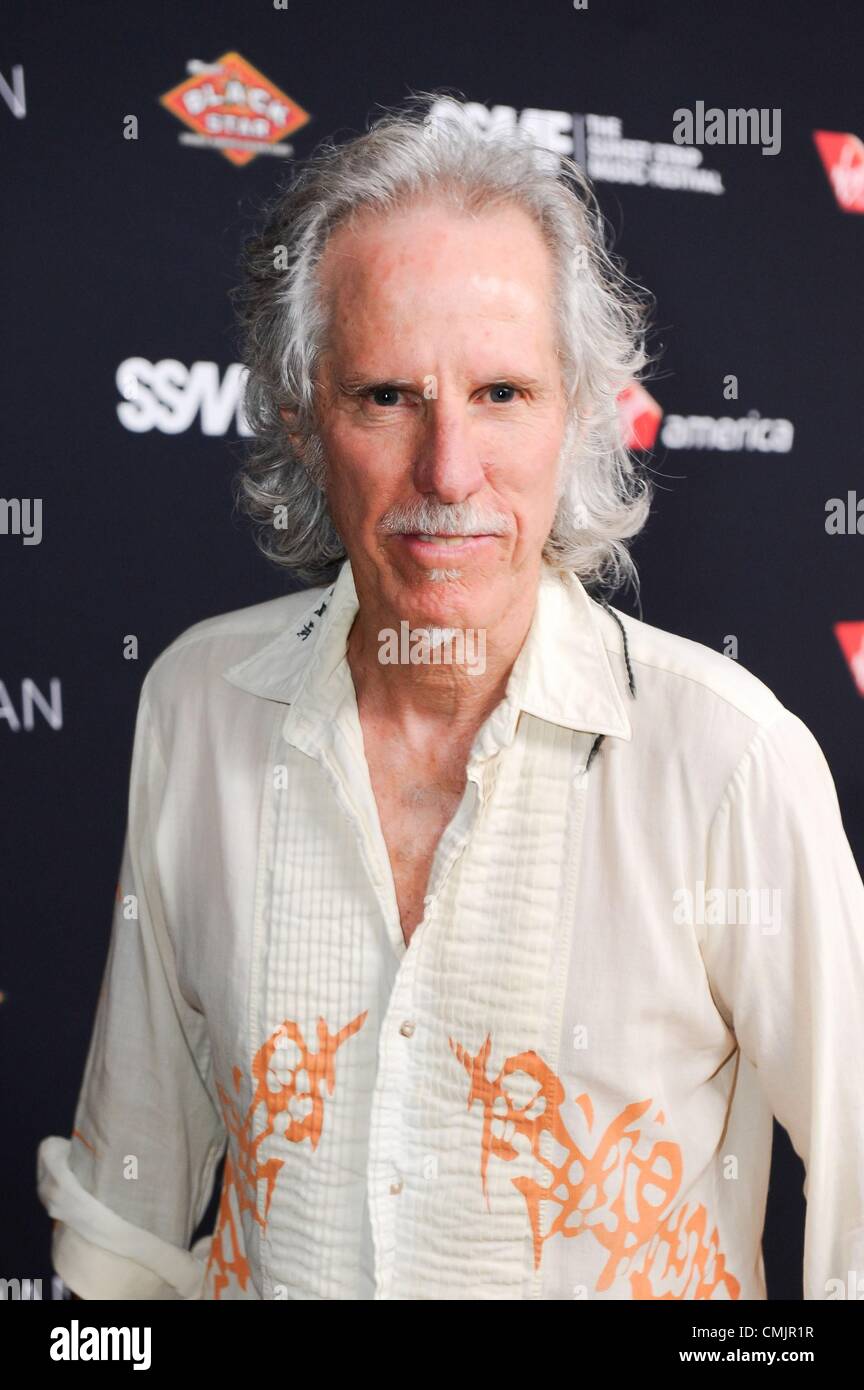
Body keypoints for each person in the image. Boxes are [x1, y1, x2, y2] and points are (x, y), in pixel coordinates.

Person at [37, 92, 864, 1301]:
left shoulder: (727, 760)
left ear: (579, 415)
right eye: (387, 397)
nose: (448, 474)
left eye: (502, 395)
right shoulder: (197, 706)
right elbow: (124, 1224)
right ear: (303, 417)